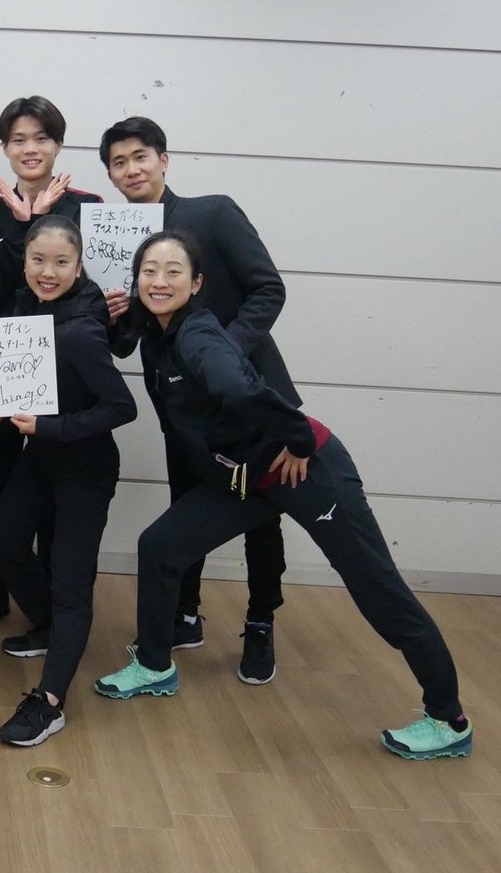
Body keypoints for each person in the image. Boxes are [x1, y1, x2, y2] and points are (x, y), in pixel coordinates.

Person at [94, 231, 472, 761]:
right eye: (149, 270)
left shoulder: (197, 336)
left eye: (173, 271)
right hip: (249, 478)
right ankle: (155, 665)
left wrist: (297, 439)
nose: (159, 280)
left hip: (304, 469)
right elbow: (122, 341)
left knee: (378, 590)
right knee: (160, 545)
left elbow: (236, 387)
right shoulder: (158, 331)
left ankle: (448, 719)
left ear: (197, 283)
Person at [100, 116, 296, 684]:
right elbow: (126, 341)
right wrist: (110, 317)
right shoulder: (116, 236)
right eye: (118, 162)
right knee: (187, 504)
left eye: (140, 156)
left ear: (164, 160)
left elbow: (269, 288)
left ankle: (260, 623)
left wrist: (218, 355)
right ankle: (185, 614)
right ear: (110, 175)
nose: (131, 169)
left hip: (249, 397)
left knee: (262, 516)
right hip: (181, 410)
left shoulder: (212, 213)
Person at [0, 215, 136, 746]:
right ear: (24, 263)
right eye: (38, 259)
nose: (48, 271)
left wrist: (50, 427)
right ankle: (48, 627)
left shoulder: (82, 330)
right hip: (40, 458)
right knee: (5, 543)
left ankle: (51, 701)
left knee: (70, 580)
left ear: (78, 266)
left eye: (62, 262)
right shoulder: (25, 306)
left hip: (86, 470)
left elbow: (122, 407)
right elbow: (30, 385)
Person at [0, 95, 103, 633]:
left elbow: (94, 287)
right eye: (18, 139)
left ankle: (47, 593)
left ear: (58, 145)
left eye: (41, 137)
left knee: (55, 477)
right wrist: (26, 224)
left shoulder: (88, 206)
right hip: (7, 358)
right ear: (5, 148)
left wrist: (44, 218)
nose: (30, 148)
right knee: (1, 479)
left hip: (68, 364)